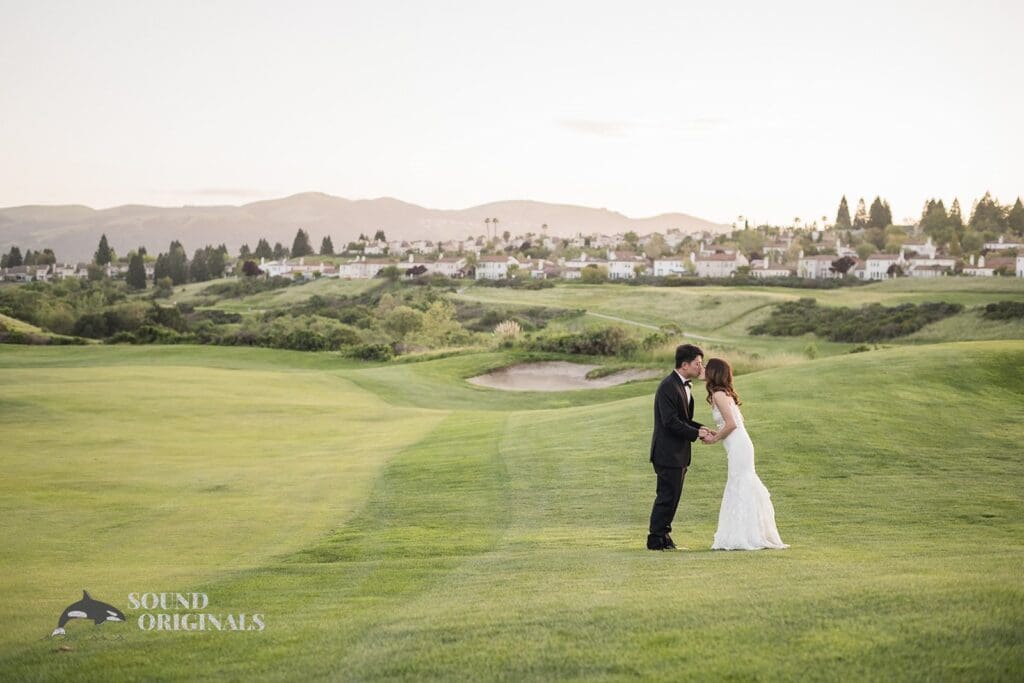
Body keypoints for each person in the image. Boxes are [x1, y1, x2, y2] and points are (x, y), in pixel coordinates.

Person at [702, 358, 788, 550]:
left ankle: (746, 534)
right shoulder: (723, 394)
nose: (703, 369)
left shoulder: (718, 394)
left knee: (740, 484)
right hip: (737, 444)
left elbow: (731, 424)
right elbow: (730, 425)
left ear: (714, 372)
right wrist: (718, 434)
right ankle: (749, 532)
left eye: (707, 367)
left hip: (739, 445)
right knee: (741, 483)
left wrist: (715, 439)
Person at [647, 344, 716, 550]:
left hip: (678, 453)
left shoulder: (683, 385)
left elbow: (683, 419)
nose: (700, 367)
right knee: (667, 496)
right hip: (667, 452)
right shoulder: (669, 386)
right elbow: (670, 421)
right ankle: (656, 539)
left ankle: (664, 536)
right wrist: (696, 433)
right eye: (697, 363)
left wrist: (699, 427)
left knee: (673, 496)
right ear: (684, 365)